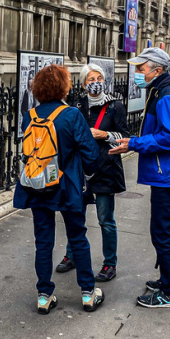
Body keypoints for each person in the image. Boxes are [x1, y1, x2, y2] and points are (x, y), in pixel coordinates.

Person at [109, 48, 170, 308]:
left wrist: (134, 143)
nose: (137, 73)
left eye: (141, 69)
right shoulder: (163, 90)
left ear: (157, 70)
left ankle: (169, 291)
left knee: (162, 232)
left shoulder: (167, 94)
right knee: (167, 230)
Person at [13, 64, 103, 314]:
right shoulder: (72, 115)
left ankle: (44, 295)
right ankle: (87, 293)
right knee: (77, 237)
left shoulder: (29, 115)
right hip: (67, 186)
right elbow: (91, 155)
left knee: (43, 241)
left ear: (38, 88)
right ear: (64, 87)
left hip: (37, 184)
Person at [56, 64, 129, 282]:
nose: (95, 82)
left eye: (98, 77)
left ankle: (110, 263)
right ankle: (72, 255)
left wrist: (104, 134)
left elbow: (125, 136)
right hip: (79, 169)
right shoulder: (76, 105)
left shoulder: (115, 105)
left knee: (105, 219)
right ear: (83, 83)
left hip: (105, 168)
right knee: (75, 214)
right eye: (90, 79)